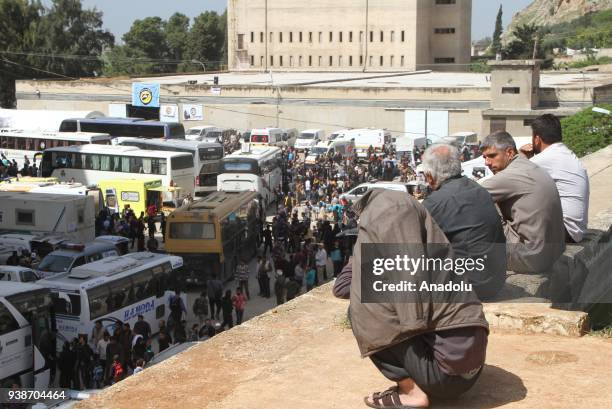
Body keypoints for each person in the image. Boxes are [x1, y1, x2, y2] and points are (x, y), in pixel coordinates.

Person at [347, 189, 489, 408]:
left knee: (363, 306)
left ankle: (412, 392)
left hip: (446, 376)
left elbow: (407, 272)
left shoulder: (388, 210)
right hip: (469, 372)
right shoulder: (411, 218)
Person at [421, 144, 506, 300]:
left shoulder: (435, 203)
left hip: (469, 288)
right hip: (495, 281)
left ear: (429, 176)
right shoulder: (479, 189)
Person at [481, 131, 565, 274]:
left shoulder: (509, 176)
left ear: (509, 152)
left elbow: (468, 198)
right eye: (484, 157)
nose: (487, 162)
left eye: (492, 156)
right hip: (554, 253)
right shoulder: (529, 166)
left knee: (473, 211)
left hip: (531, 258)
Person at [519, 114, 589, 243]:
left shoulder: (546, 158)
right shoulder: (564, 154)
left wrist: (522, 156)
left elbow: (510, 178)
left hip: (564, 231)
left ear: (537, 139)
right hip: (576, 230)